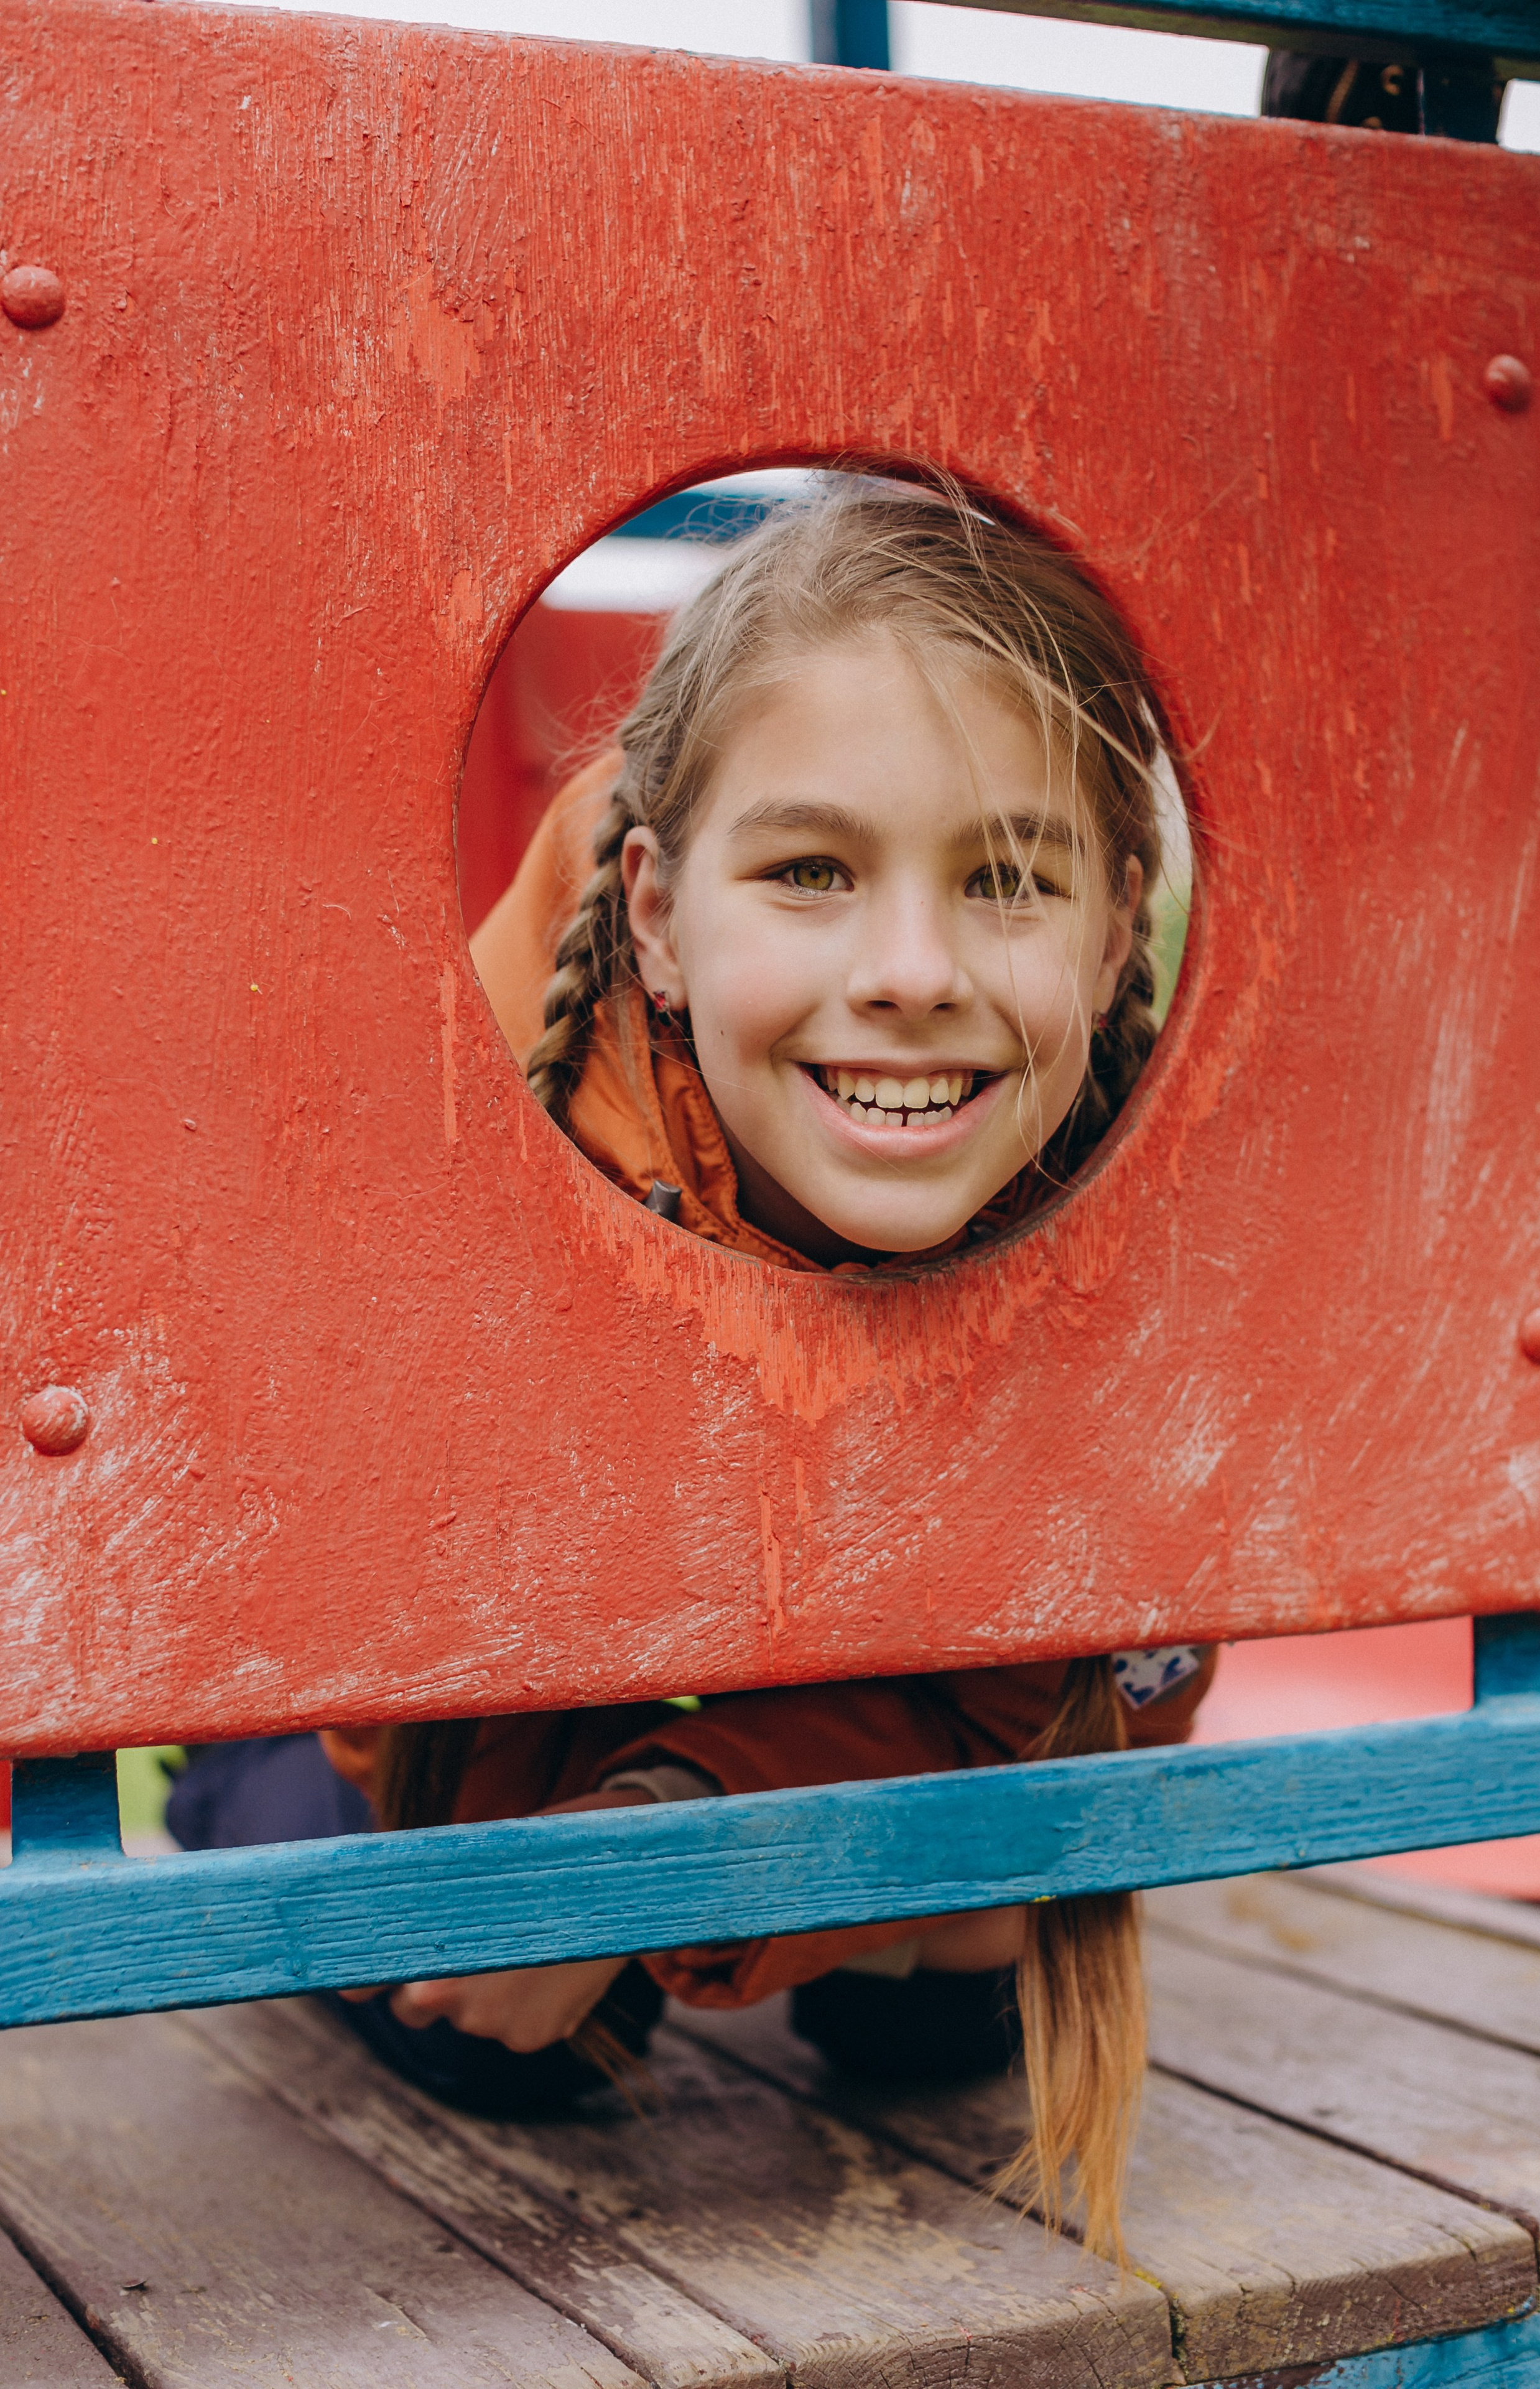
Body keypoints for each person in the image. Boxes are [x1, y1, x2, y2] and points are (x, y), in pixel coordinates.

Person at [171, 477, 1214, 2256]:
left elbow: (1109, 1682)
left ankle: (854, 1930)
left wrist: (674, 1835)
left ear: (1118, 929)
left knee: (951, 1997)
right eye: (813, 871)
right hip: (426, 1720)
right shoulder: (518, 1092)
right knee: (519, 2028)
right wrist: (580, 1891)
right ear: (653, 913)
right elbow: (365, 1603)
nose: (910, 973)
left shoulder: (1157, 1185)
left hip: (786, 1701)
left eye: (1007, 881)